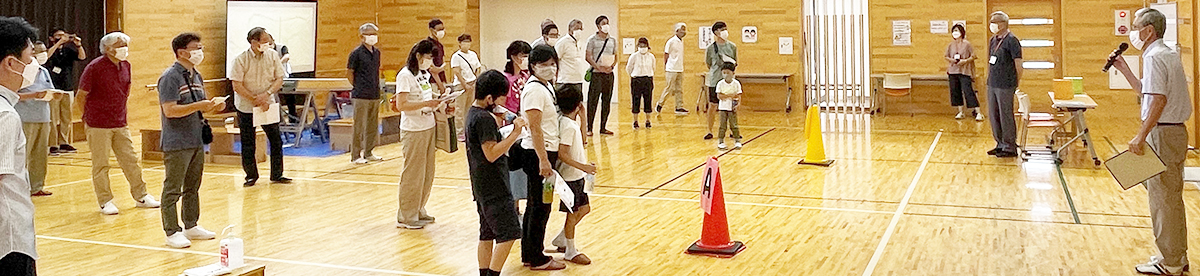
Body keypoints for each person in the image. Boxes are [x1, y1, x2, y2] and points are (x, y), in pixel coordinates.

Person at [1110, 8, 1193, 275]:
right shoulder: (1165, 53)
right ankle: (1174, 254)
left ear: (1149, 31)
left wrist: (1140, 135)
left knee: (1163, 199)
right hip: (1172, 133)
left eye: (1136, 27)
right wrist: (1124, 69)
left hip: (1163, 134)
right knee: (1168, 196)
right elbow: (1145, 91)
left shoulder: (1156, 57)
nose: (1132, 31)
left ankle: (1171, 262)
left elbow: (1158, 100)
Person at [78, 32, 160, 215]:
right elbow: (81, 95)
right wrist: (86, 116)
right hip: (98, 124)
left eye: (125, 44)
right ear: (108, 48)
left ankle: (141, 195)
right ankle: (105, 200)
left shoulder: (126, 66)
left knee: (131, 160)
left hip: (120, 122)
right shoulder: (94, 67)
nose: (124, 48)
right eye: (120, 45)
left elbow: (126, 89)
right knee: (101, 164)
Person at [157, 32, 224, 248]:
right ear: (182, 52)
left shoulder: (196, 75)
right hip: (177, 140)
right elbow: (170, 110)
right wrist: (198, 106)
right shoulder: (170, 76)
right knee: (173, 187)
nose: (200, 51)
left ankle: (191, 224)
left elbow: (198, 104)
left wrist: (213, 106)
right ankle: (171, 230)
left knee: (193, 185)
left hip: (196, 138)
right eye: (196, 47)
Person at [466, 70, 527, 276]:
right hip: (494, 185)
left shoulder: (473, 113)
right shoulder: (484, 119)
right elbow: (491, 153)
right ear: (490, 97)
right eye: (501, 98)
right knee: (509, 233)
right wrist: (516, 133)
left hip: (480, 184)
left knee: (487, 233)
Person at [517, 44, 567, 271]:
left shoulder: (546, 87)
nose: (549, 68)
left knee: (536, 204)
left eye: (552, 64)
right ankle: (537, 258)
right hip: (538, 153)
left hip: (545, 150)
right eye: (543, 65)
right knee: (541, 206)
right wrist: (543, 160)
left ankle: (530, 251)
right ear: (533, 66)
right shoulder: (534, 90)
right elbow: (535, 127)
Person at [0, 16, 40, 276]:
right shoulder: (4, 115)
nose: (32, 65)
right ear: (11, 63)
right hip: (9, 241)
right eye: (29, 59)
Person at [230, 27, 292, 186]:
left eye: (269, 41)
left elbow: (279, 78)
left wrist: (267, 94)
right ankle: (251, 175)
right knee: (248, 141)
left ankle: (277, 174)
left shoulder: (273, 55)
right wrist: (255, 99)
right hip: (246, 105)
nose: (268, 44)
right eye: (264, 41)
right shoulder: (240, 59)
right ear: (253, 42)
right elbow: (237, 85)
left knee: (276, 139)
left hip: (268, 103)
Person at [393, 40, 444, 230]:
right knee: (413, 173)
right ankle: (407, 214)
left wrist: (438, 103)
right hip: (413, 129)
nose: (430, 62)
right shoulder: (405, 76)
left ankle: (419, 207)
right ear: (418, 56)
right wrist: (425, 106)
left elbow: (426, 98)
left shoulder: (423, 75)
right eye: (428, 57)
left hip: (428, 125)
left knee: (427, 171)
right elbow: (402, 105)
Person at [548, 86, 596, 265]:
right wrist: (583, 166)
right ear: (578, 104)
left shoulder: (570, 123)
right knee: (573, 213)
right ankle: (570, 249)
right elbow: (563, 154)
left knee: (584, 209)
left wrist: (583, 118)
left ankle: (562, 238)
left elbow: (583, 141)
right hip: (570, 177)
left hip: (577, 175)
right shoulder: (566, 126)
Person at [15, 42, 54, 197]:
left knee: (40, 154)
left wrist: (53, 95)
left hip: (43, 116)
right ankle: (19, 188)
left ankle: (36, 186)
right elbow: (13, 94)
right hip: (25, 117)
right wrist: (33, 95)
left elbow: (49, 89)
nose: (43, 54)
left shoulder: (43, 71)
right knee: (23, 154)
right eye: (38, 51)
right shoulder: (20, 72)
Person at [985, 11, 1022, 158]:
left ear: (1002, 23)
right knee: (994, 114)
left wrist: (1016, 82)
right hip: (993, 82)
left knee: (1005, 114)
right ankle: (999, 143)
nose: (992, 24)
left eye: (994, 21)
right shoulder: (993, 40)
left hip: (1006, 84)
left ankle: (1009, 146)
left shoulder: (1012, 40)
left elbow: (1018, 64)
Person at [502, 41, 532, 216]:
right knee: (512, 169)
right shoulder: (505, 79)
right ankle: (512, 206)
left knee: (523, 170)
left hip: (527, 126)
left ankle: (523, 204)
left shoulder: (527, 76)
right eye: (523, 55)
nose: (525, 59)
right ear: (514, 57)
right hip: (511, 127)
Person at [45, 28, 85, 155]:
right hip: (53, 87)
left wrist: (78, 45)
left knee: (66, 117)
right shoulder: (49, 49)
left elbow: (82, 57)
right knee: (53, 117)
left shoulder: (68, 50)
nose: (62, 38)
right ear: (52, 38)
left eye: (63, 35)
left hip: (67, 87)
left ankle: (64, 142)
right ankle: (53, 144)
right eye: (58, 36)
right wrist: (57, 44)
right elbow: (46, 57)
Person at [348, 23, 384, 164]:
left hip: (374, 93)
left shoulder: (377, 53)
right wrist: (357, 86)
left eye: (374, 33)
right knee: (359, 126)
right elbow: (350, 72)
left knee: (372, 126)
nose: (372, 37)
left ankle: (369, 152)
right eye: (369, 34)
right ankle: (356, 155)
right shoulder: (356, 53)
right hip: (360, 95)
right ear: (362, 37)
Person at [703, 21, 737, 140]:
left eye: (725, 29)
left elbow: (735, 62)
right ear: (716, 32)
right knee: (712, 105)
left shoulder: (732, 46)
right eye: (721, 29)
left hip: (729, 81)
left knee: (731, 105)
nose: (724, 31)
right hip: (715, 80)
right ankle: (709, 130)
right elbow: (708, 64)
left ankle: (733, 129)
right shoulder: (711, 48)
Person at [585, 15, 617, 136]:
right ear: (598, 26)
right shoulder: (592, 40)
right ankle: (589, 127)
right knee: (593, 100)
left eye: (607, 23)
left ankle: (603, 127)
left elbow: (616, 56)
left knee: (606, 100)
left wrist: (611, 66)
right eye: (604, 23)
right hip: (597, 74)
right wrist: (598, 67)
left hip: (609, 74)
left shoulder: (612, 40)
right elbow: (588, 56)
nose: (606, 25)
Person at [945, 24, 982, 121]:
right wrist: (952, 60)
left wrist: (965, 61)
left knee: (968, 91)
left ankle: (978, 112)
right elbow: (946, 56)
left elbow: (974, 56)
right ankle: (960, 111)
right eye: (954, 31)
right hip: (953, 71)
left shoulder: (967, 44)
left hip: (964, 71)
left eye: (957, 30)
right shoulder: (950, 45)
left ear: (962, 32)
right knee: (955, 91)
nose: (955, 33)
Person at [452, 33, 484, 140]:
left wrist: (475, 80)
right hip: (460, 85)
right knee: (460, 109)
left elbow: (478, 68)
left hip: (472, 83)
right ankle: (459, 132)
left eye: (468, 42)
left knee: (469, 108)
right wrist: (464, 84)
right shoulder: (456, 56)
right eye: (464, 42)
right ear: (460, 44)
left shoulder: (473, 54)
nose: (466, 44)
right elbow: (456, 71)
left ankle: (468, 130)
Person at [657, 22, 688, 115]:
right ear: (677, 31)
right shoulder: (671, 41)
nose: (683, 32)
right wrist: (666, 66)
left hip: (679, 68)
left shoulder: (681, 42)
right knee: (669, 88)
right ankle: (660, 104)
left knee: (679, 89)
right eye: (682, 29)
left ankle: (679, 107)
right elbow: (666, 54)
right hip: (671, 68)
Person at [626, 37, 655, 128]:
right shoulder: (634, 56)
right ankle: (635, 121)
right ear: (637, 46)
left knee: (648, 100)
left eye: (644, 46)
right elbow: (629, 68)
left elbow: (653, 67)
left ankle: (648, 120)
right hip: (636, 80)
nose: (643, 47)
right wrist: (634, 75)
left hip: (647, 79)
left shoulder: (651, 57)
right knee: (636, 100)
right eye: (641, 46)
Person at [715, 62, 742, 149]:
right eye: (724, 73)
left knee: (734, 124)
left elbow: (738, 95)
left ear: (733, 73)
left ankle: (737, 140)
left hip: (732, 107)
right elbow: (720, 96)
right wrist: (730, 95)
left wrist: (738, 104)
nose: (726, 75)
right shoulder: (720, 84)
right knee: (722, 125)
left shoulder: (736, 83)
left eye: (728, 73)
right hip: (723, 107)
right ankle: (721, 141)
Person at [424, 18, 449, 93]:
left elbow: (441, 65)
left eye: (442, 29)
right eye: (439, 29)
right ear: (432, 30)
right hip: (432, 81)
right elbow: (432, 69)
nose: (441, 31)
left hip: (441, 79)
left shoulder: (440, 45)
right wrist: (440, 85)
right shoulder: (427, 45)